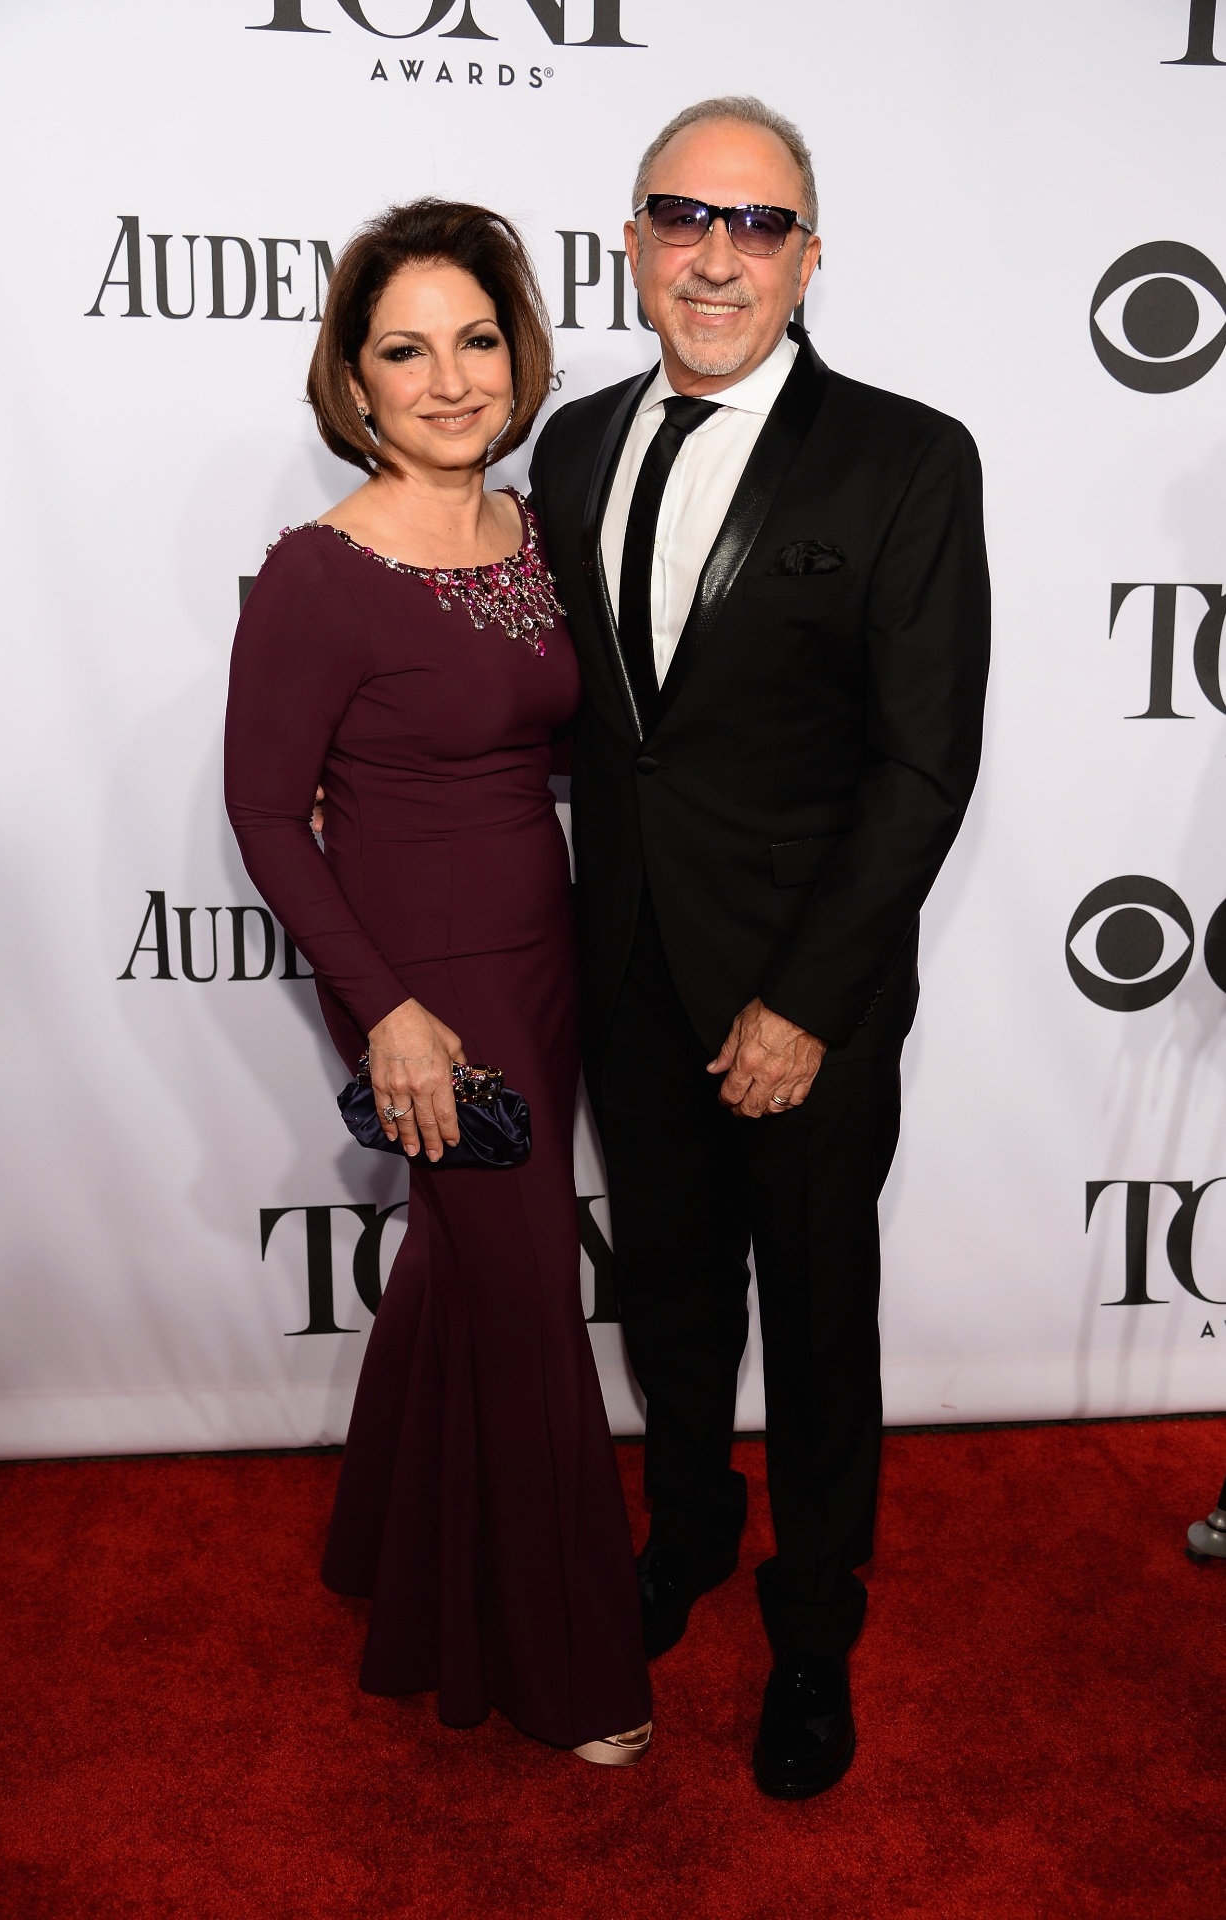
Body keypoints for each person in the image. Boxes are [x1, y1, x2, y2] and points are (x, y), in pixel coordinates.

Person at [529, 98, 989, 1798]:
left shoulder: (903, 456)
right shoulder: (570, 446)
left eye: (756, 224)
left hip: (811, 989)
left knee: (811, 1317)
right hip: (626, 965)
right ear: (632, 243)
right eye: (682, 216)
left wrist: (803, 1001)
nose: (715, 256)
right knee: (666, 1300)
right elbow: (589, 724)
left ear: (806, 258)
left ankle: (811, 1626)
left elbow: (920, 763)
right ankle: (688, 1531)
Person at [224, 199, 651, 1766]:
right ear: (353, 379)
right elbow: (265, 815)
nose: (450, 379)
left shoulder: (534, 533)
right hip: (421, 986)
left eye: (475, 340)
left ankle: (382, 1553)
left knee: (468, 1268)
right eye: (405, 351)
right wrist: (387, 1013)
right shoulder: (318, 573)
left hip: (542, 952)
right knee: (531, 1295)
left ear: (516, 355)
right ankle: (573, 1671)